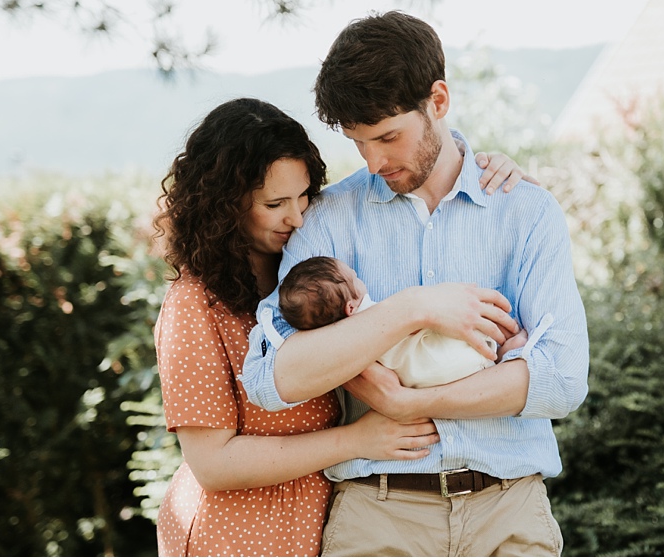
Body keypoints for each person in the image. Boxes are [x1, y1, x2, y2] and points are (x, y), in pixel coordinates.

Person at [241, 12, 589, 558]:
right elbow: (273, 376)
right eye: (358, 143)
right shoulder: (329, 220)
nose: (375, 161)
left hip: (509, 513)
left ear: (439, 101)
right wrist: (413, 309)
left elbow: (562, 379)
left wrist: (411, 403)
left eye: (388, 137)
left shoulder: (525, 211)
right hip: (378, 518)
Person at [154, 95, 532, 557]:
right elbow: (212, 463)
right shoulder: (194, 305)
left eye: (304, 195)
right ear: (223, 207)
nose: (297, 217)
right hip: (240, 531)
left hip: (328, 518)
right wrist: (354, 441)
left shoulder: (317, 275)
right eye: (275, 203)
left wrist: (490, 172)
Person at [277, 256, 530, 388]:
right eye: (354, 277)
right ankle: (505, 351)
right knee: (474, 332)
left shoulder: (342, 349)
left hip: (424, 379)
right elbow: (415, 324)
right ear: (350, 307)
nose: (358, 276)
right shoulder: (372, 315)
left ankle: (500, 356)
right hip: (442, 358)